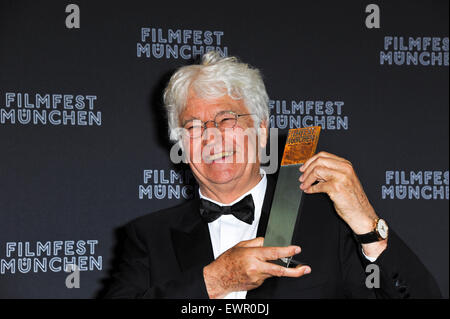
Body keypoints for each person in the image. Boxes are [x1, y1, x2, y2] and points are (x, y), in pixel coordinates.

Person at [104, 51, 441, 299]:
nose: (212, 138)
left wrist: (370, 229)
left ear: (262, 132)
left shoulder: (327, 225)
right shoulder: (149, 237)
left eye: (227, 121)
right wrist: (214, 281)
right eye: (193, 127)